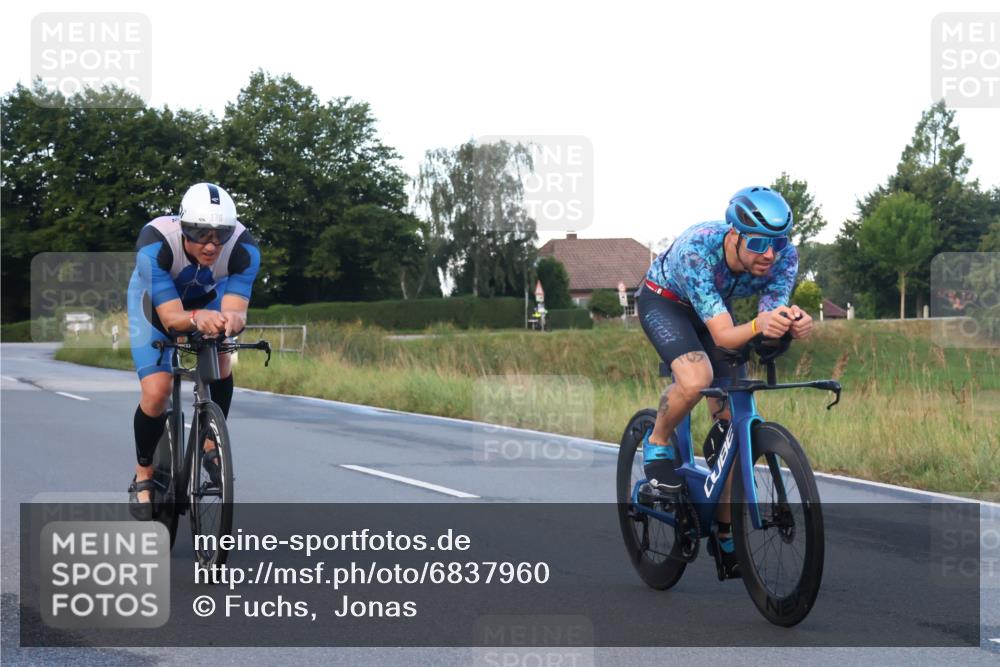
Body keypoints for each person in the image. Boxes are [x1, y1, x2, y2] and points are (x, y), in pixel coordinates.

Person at [636, 185, 814, 576]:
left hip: (716, 309)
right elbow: (723, 336)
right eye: (758, 243)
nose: (769, 254)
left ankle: (723, 529)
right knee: (696, 377)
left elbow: (768, 320)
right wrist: (758, 324)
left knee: (736, 422)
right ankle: (658, 441)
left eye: (778, 242)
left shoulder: (782, 256)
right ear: (734, 234)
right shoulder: (699, 249)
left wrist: (789, 325)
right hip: (666, 303)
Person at [125, 183, 260, 519]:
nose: (211, 245)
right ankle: (143, 475)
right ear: (184, 227)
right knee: (157, 391)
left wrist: (231, 321)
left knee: (222, 358)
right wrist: (197, 319)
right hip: (154, 306)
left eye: (220, 235)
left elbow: (236, 310)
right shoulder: (154, 244)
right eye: (201, 234)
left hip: (207, 298)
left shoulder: (244, 249)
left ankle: (211, 443)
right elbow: (172, 318)